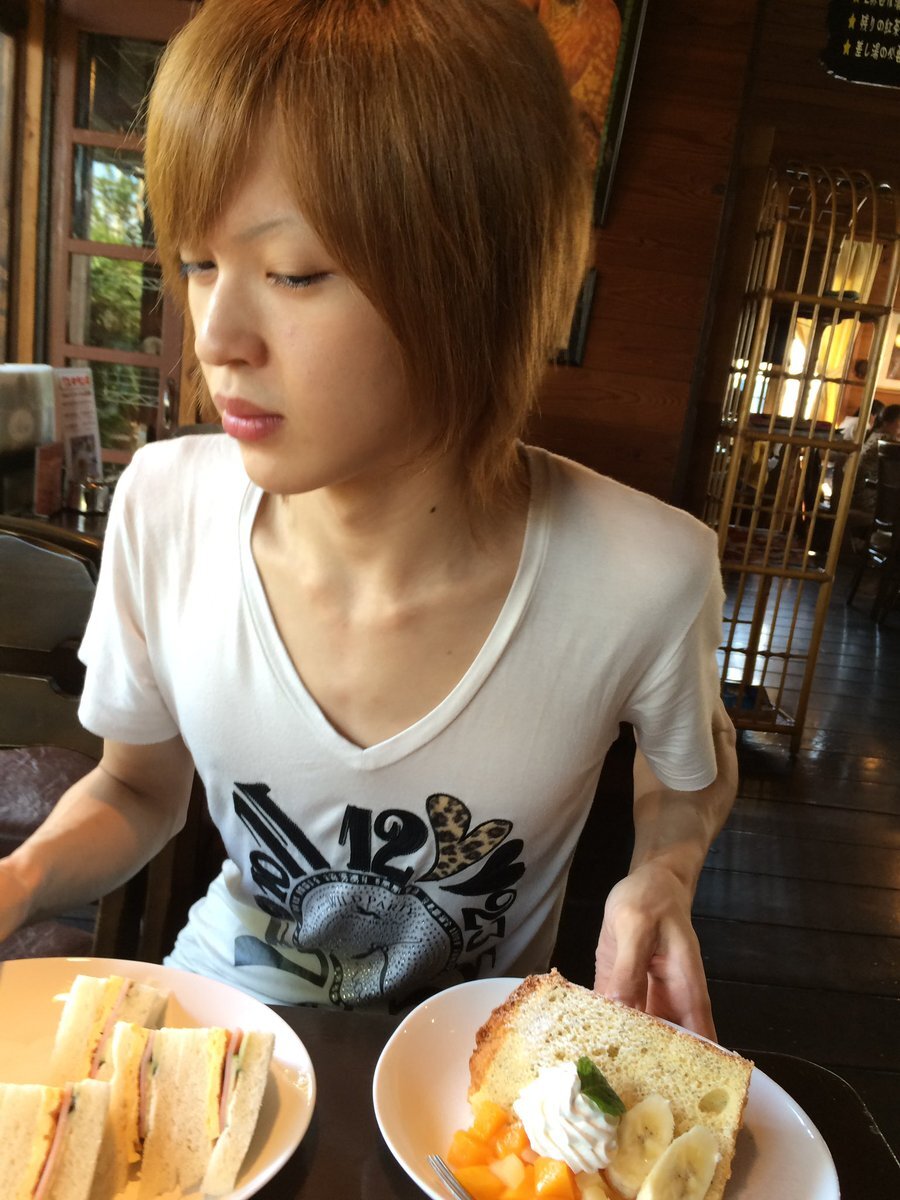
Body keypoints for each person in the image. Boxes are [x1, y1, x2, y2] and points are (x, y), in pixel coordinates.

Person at [0, 0, 737, 1037]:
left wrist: (664, 870)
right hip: (223, 1024)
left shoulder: (646, 571)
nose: (216, 335)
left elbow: (686, 768)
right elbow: (138, 790)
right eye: (201, 262)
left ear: (475, 277)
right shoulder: (164, 508)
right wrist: (22, 878)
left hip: (465, 1069)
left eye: (293, 272)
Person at [851, 403, 900, 514]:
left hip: (857, 493)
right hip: (868, 498)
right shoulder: (886, 442)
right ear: (887, 422)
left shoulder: (874, 435)